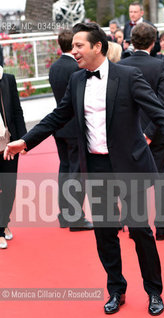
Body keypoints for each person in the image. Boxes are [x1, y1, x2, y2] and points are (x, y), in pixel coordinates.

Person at [4, 22, 164, 315]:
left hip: (129, 167)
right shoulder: (77, 80)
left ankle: (154, 291)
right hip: (97, 165)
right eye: (73, 46)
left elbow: (160, 113)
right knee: (105, 234)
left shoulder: (129, 76)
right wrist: (24, 141)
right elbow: (57, 117)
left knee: (140, 232)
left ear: (97, 47)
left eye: (79, 45)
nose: (73, 50)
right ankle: (116, 289)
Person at [118, 22, 164, 240]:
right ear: (153, 42)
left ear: (132, 40)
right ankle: (161, 227)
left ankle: (135, 226)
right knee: (161, 180)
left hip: (129, 132)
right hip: (157, 133)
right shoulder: (160, 66)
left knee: (132, 180)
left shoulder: (122, 64)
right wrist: (150, 132)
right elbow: (163, 103)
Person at [49, 29, 93, 231]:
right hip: (75, 126)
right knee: (76, 172)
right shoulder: (76, 68)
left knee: (65, 170)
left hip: (60, 127)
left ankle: (65, 214)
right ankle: (75, 217)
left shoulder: (55, 67)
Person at [0, 67, 26, 249]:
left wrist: (24, 140)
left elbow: (17, 111)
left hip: (7, 142)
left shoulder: (7, 79)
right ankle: (0, 229)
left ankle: (4, 221)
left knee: (9, 188)